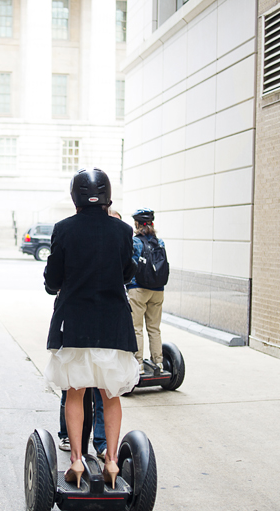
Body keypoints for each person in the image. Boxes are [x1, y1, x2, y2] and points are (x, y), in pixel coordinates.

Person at [44, 168, 138, 489]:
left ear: (76, 198)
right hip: (113, 324)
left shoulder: (64, 230)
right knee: (110, 394)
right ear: (107, 196)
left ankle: (76, 462)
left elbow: (52, 281)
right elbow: (127, 273)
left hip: (76, 325)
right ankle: (111, 461)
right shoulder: (123, 231)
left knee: (75, 391)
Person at [128, 208, 166, 375]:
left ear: (137, 224)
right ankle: (159, 363)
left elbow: (131, 265)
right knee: (154, 328)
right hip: (158, 290)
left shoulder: (135, 242)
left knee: (137, 328)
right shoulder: (160, 242)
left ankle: (139, 365)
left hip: (138, 289)